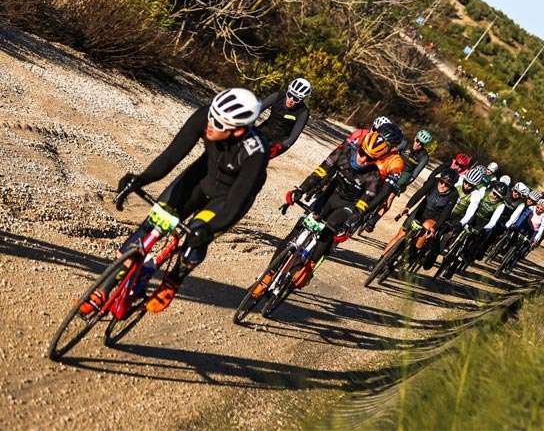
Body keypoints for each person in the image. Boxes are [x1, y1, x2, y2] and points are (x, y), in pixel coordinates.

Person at [81, 89, 266, 316]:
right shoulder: (207, 116)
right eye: (212, 115)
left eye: (218, 123)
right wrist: (139, 180)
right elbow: (171, 156)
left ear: (238, 130)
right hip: (199, 180)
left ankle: (173, 280)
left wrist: (206, 233)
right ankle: (105, 287)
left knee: (195, 238)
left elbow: (234, 206)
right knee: (152, 224)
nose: (210, 123)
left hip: (227, 199)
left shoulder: (256, 153)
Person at [283, 130, 391, 288]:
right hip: (330, 196)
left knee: (330, 228)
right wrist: (301, 190)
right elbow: (320, 172)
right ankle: (267, 277)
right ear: (359, 147)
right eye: (362, 153)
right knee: (296, 232)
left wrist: (349, 224)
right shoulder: (344, 151)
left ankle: (309, 267)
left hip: (348, 206)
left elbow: (363, 204)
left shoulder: (374, 176)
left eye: (370, 158)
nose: (363, 159)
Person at [383, 168, 459, 269]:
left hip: (435, 218)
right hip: (421, 211)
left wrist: (435, 228)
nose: (443, 186)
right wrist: (408, 207)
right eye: (442, 182)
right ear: (439, 179)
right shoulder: (433, 181)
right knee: (401, 235)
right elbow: (419, 194)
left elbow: (445, 213)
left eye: (447, 185)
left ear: (452, 185)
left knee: (426, 228)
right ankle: (381, 260)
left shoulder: (454, 194)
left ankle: (412, 254)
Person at [256, 78, 311, 159]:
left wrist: (278, 147)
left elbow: (292, 138)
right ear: (287, 91)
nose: (291, 100)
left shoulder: (303, 112)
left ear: (302, 99)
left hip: (279, 142)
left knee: (257, 161)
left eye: (296, 98)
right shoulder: (277, 96)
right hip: (264, 131)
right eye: (290, 94)